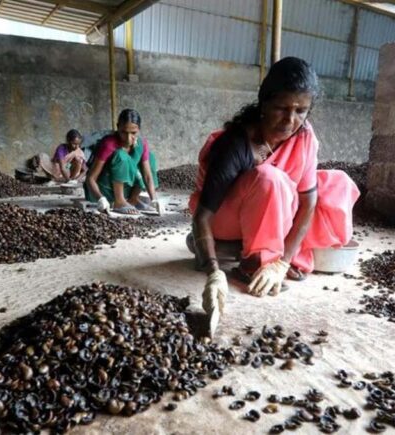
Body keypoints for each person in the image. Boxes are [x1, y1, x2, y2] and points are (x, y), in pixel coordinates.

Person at [188, 57, 359, 324]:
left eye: (301, 111)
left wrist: (284, 262)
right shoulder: (235, 145)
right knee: (271, 179)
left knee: (336, 184)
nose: (290, 120)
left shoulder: (303, 137)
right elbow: (203, 216)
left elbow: (308, 203)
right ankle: (254, 261)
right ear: (264, 103)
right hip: (226, 217)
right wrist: (214, 273)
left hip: (271, 209)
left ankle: (272, 255)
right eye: (281, 108)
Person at [84, 109, 162, 215]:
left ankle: (133, 199)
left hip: (125, 188)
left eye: (133, 133)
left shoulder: (141, 143)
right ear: (118, 127)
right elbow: (91, 178)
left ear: (139, 129)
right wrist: (100, 199)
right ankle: (119, 202)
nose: (129, 139)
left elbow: (147, 176)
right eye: (124, 132)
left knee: (150, 158)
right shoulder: (109, 144)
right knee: (121, 156)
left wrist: (154, 199)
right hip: (105, 189)